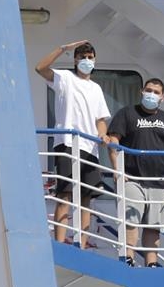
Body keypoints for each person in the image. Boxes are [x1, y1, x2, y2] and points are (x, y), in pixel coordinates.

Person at [35, 40, 111, 247]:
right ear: (76, 60)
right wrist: (63, 49)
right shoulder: (65, 78)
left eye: (90, 57)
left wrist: (103, 135)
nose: (87, 61)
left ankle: (82, 242)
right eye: (83, 57)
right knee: (65, 194)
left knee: (86, 198)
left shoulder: (96, 88)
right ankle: (60, 242)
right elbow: (40, 68)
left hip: (90, 148)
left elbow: (100, 120)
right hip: (67, 143)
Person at [105, 78, 164, 267]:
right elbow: (113, 141)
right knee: (131, 220)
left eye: (156, 92)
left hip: (160, 180)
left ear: (162, 97)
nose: (152, 95)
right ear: (142, 91)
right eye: (149, 90)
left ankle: (152, 263)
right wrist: (117, 169)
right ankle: (128, 258)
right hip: (132, 178)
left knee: (154, 225)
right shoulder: (127, 113)